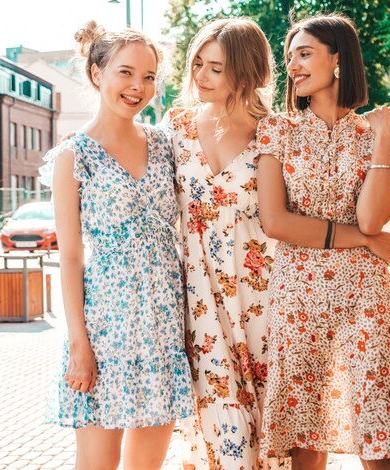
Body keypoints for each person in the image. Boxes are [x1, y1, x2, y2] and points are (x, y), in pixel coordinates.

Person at [256, 14, 390, 470]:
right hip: (298, 295)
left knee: (379, 436)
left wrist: (383, 140)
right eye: (290, 57)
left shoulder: (378, 137)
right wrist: (366, 243)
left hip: (365, 298)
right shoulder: (278, 131)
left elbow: (372, 218)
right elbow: (276, 222)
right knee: (306, 441)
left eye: (305, 54)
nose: (293, 65)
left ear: (339, 59)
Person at [41, 21, 193, 469]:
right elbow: (69, 258)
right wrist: (79, 345)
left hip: (162, 327)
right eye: (125, 73)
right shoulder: (74, 155)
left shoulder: (166, 145)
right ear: (96, 74)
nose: (138, 87)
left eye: (148, 77)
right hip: (105, 330)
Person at [162, 18, 285, 470]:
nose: (201, 76)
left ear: (246, 70)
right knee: (216, 408)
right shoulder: (175, 127)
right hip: (197, 294)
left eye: (215, 67)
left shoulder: (276, 131)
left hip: (263, 293)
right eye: (198, 64)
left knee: (270, 405)